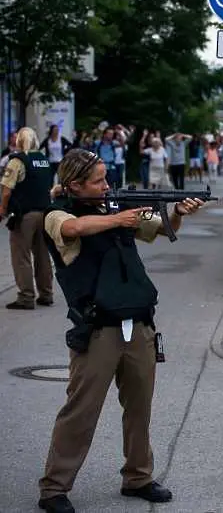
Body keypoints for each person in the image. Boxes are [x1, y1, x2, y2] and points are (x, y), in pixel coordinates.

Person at [36, 148, 205, 513]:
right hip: (98, 329)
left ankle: (138, 477)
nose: (107, 186)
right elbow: (74, 228)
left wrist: (177, 212)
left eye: (107, 179)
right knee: (80, 412)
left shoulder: (113, 209)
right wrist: (117, 218)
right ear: (75, 185)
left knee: (139, 408)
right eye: (98, 181)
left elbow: (161, 229)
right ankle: (54, 488)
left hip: (138, 324)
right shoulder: (56, 214)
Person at [0, 127, 54, 309]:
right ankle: (46, 294)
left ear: (20, 141)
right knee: (43, 255)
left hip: (25, 215)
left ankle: (26, 297)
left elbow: (6, 192)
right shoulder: (44, 160)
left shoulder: (16, 161)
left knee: (21, 256)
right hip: (45, 214)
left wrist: (2, 211)